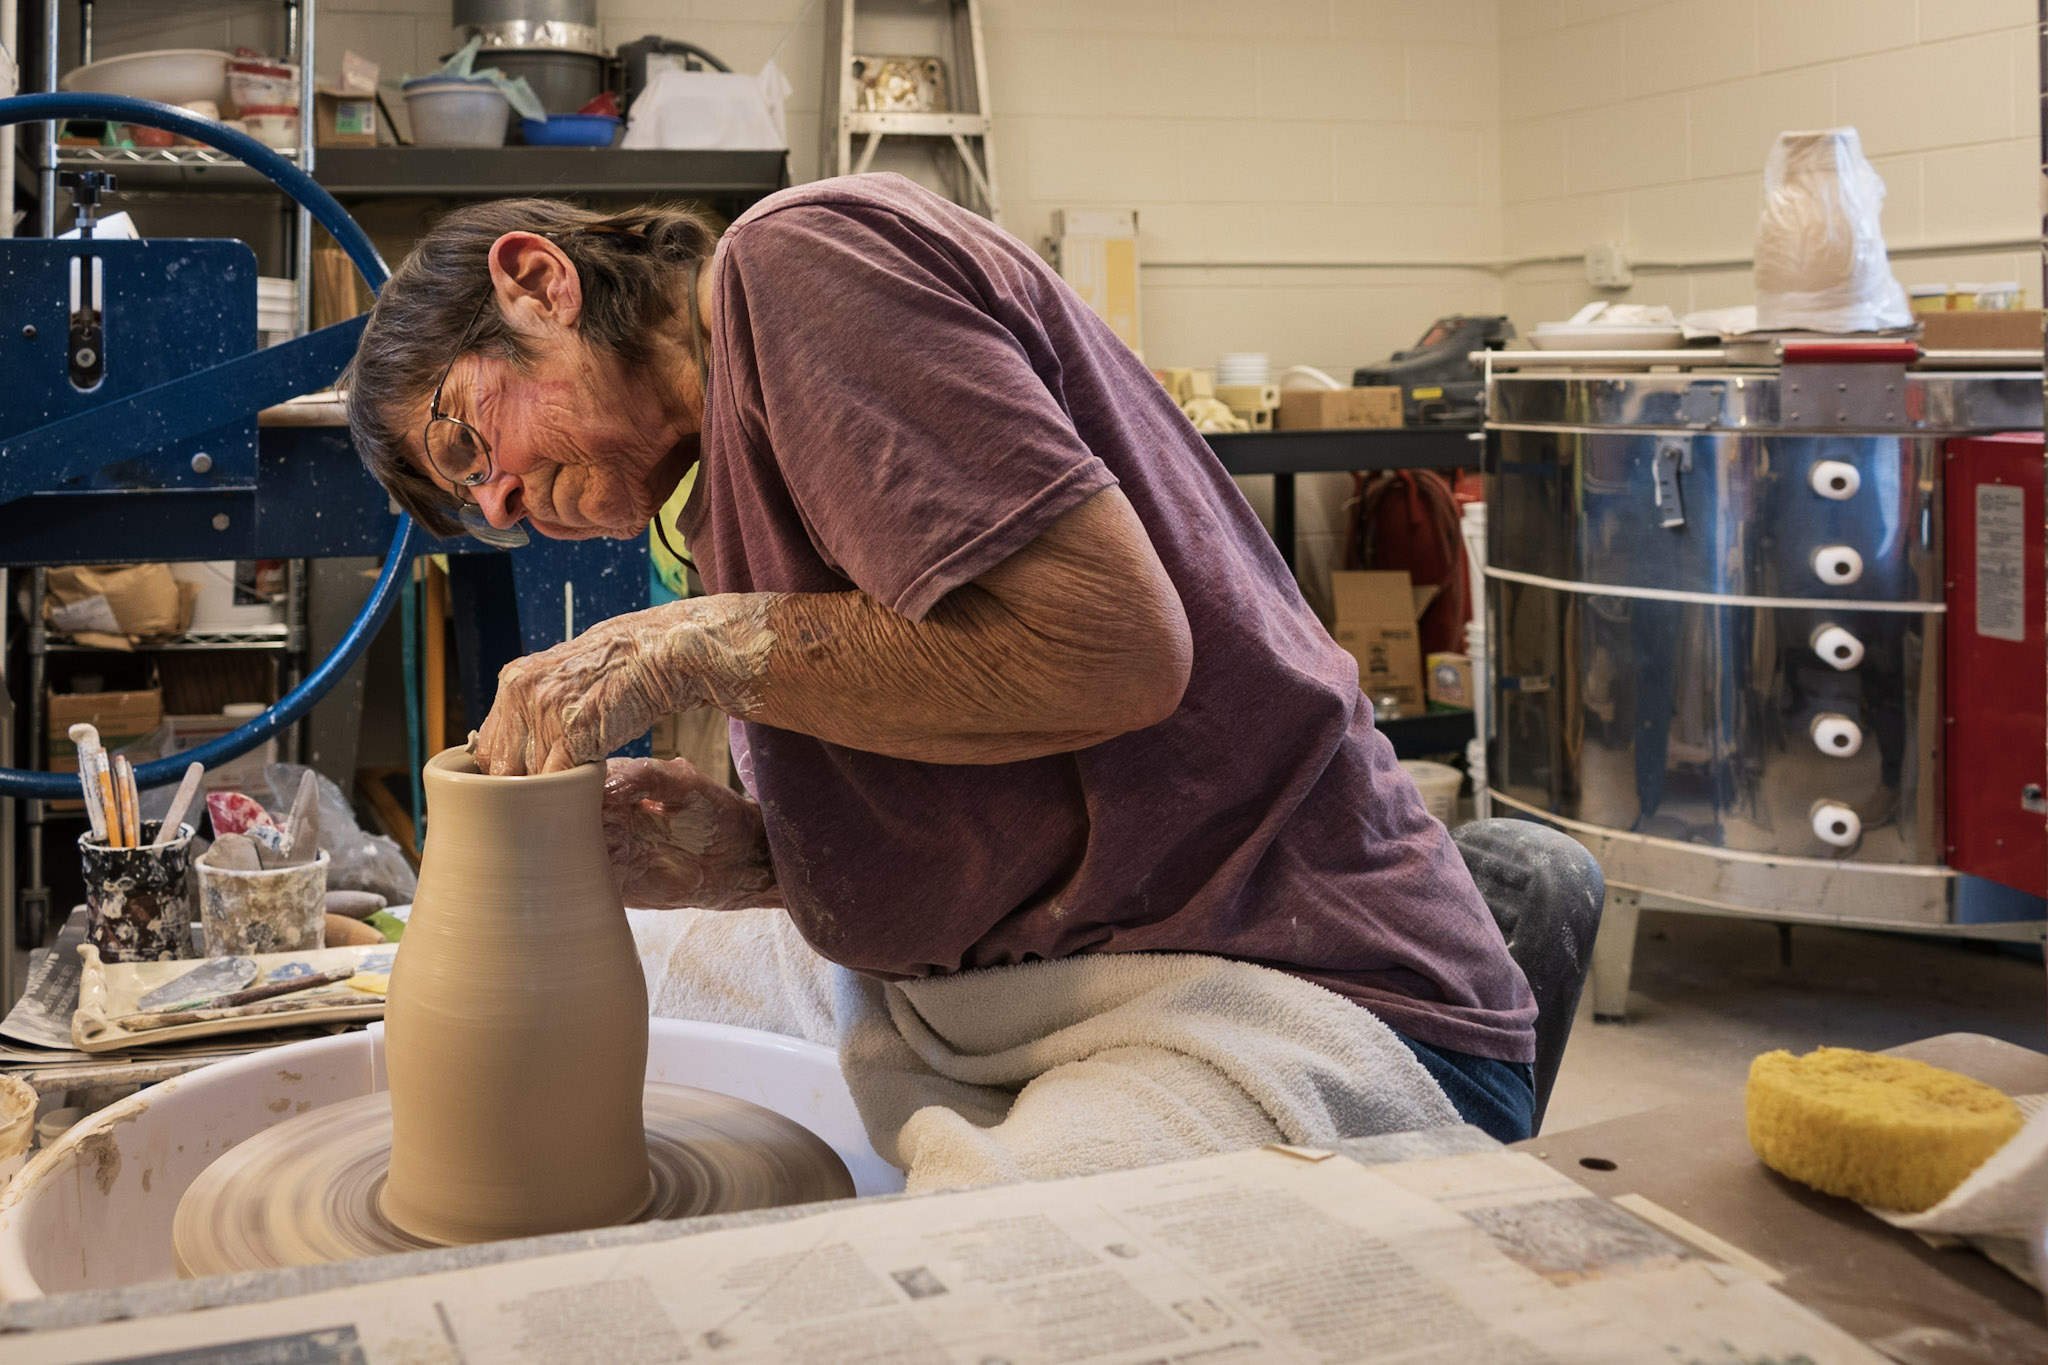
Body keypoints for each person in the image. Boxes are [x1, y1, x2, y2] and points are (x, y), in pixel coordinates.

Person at [344, 173, 1539, 1143]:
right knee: (553, 992)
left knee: (977, 1271)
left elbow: (1112, 658)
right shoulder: (715, 487)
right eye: (467, 508)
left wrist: (678, 646)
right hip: (1037, 973)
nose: (496, 505)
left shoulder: (797, 263)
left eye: (464, 445)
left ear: (538, 283)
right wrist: (752, 857)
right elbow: (1001, 764)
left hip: (1283, 978)